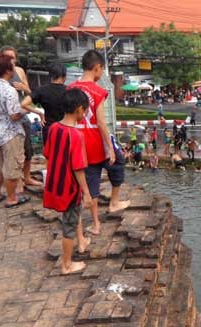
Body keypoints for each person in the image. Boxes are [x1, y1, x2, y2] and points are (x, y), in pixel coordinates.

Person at [68, 50, 130, 235]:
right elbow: (101, 122)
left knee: (91, 182)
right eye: (102, 69)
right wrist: (110, 147)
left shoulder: (70, 88)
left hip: (78, 141)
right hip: (95, 139)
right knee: (117, 161)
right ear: (97, 68)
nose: (101, 73)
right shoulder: (97, 91)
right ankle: (114, 201)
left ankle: (95, 224)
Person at [43, 88, 92, 274]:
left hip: (55, 184)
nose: (85, 113)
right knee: (68, 226)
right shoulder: (76, 136)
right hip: (69, 188)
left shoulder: (54, 128)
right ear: (79, 109)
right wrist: (86, 192)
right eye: (85, 110)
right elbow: (78, 168)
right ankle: (67, 264)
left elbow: (48, 154)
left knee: (73, 216)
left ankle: (81, 243)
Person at [0, 53, 30, 208]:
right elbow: (14, 115)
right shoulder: (8, 90)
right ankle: (12, 197)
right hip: (10, 133)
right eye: (13, 66)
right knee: (12, 167)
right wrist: (27, 110)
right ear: (8, 70)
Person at [0, 46, 42, 190]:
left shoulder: (19, 71)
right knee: (7, 158)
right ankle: (13, 188)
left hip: (21, 115)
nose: (11, 61)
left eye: (13, 58)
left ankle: (27, 177)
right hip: (5, 121)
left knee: (27, 151)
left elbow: (31, 94)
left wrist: (24, 88)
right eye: (7, 58)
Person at [21, 63, 67, 147]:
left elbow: (24, 103)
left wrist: (40, 113)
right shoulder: (69, 90)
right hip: (65, 128)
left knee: (50, 156)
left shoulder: (41, 90)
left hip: (49, 128)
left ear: (50, 76)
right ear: (64, 76)